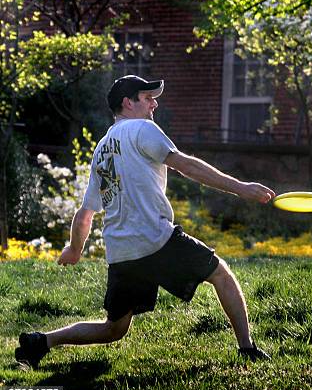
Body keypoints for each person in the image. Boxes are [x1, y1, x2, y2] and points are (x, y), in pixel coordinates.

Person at [15, 75, 276, 368]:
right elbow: (186, 165)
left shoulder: (102, 148)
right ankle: (247, 349)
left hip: (122, 251)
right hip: (156, 240)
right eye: (147, 97)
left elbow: (86, 212)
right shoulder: (142, 128)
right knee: (221, 275)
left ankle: (41, 342)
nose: (154, 103)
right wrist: (241, 188)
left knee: (114, 328)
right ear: (128, 103)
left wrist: (74, 250)